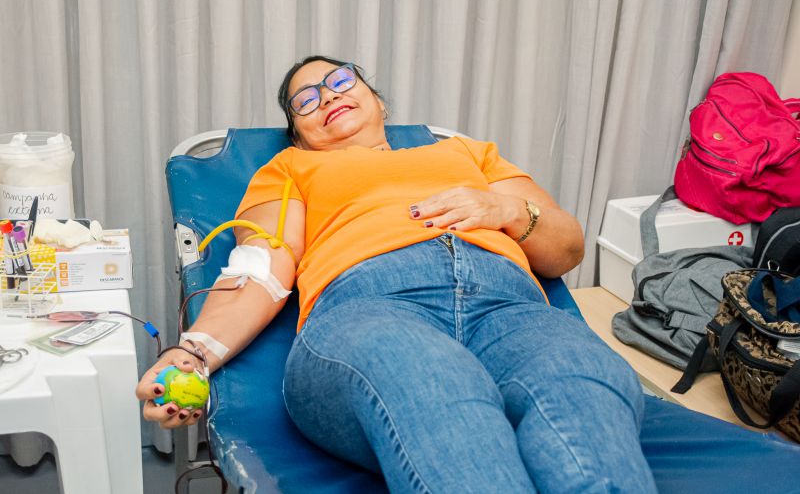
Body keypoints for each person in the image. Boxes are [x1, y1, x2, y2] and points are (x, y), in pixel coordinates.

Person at [137, 55, 657, 493]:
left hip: (512, 309)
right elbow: (261, 268)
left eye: (340, 80)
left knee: (583, 381)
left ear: (379, 102)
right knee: (436, 383)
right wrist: (194, 353)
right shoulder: (290, 169)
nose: (327, 95)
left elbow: (566, 249)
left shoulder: (466, 154)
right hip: (370, 310)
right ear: (298, 135)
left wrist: (507, 210)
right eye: (306, 100)